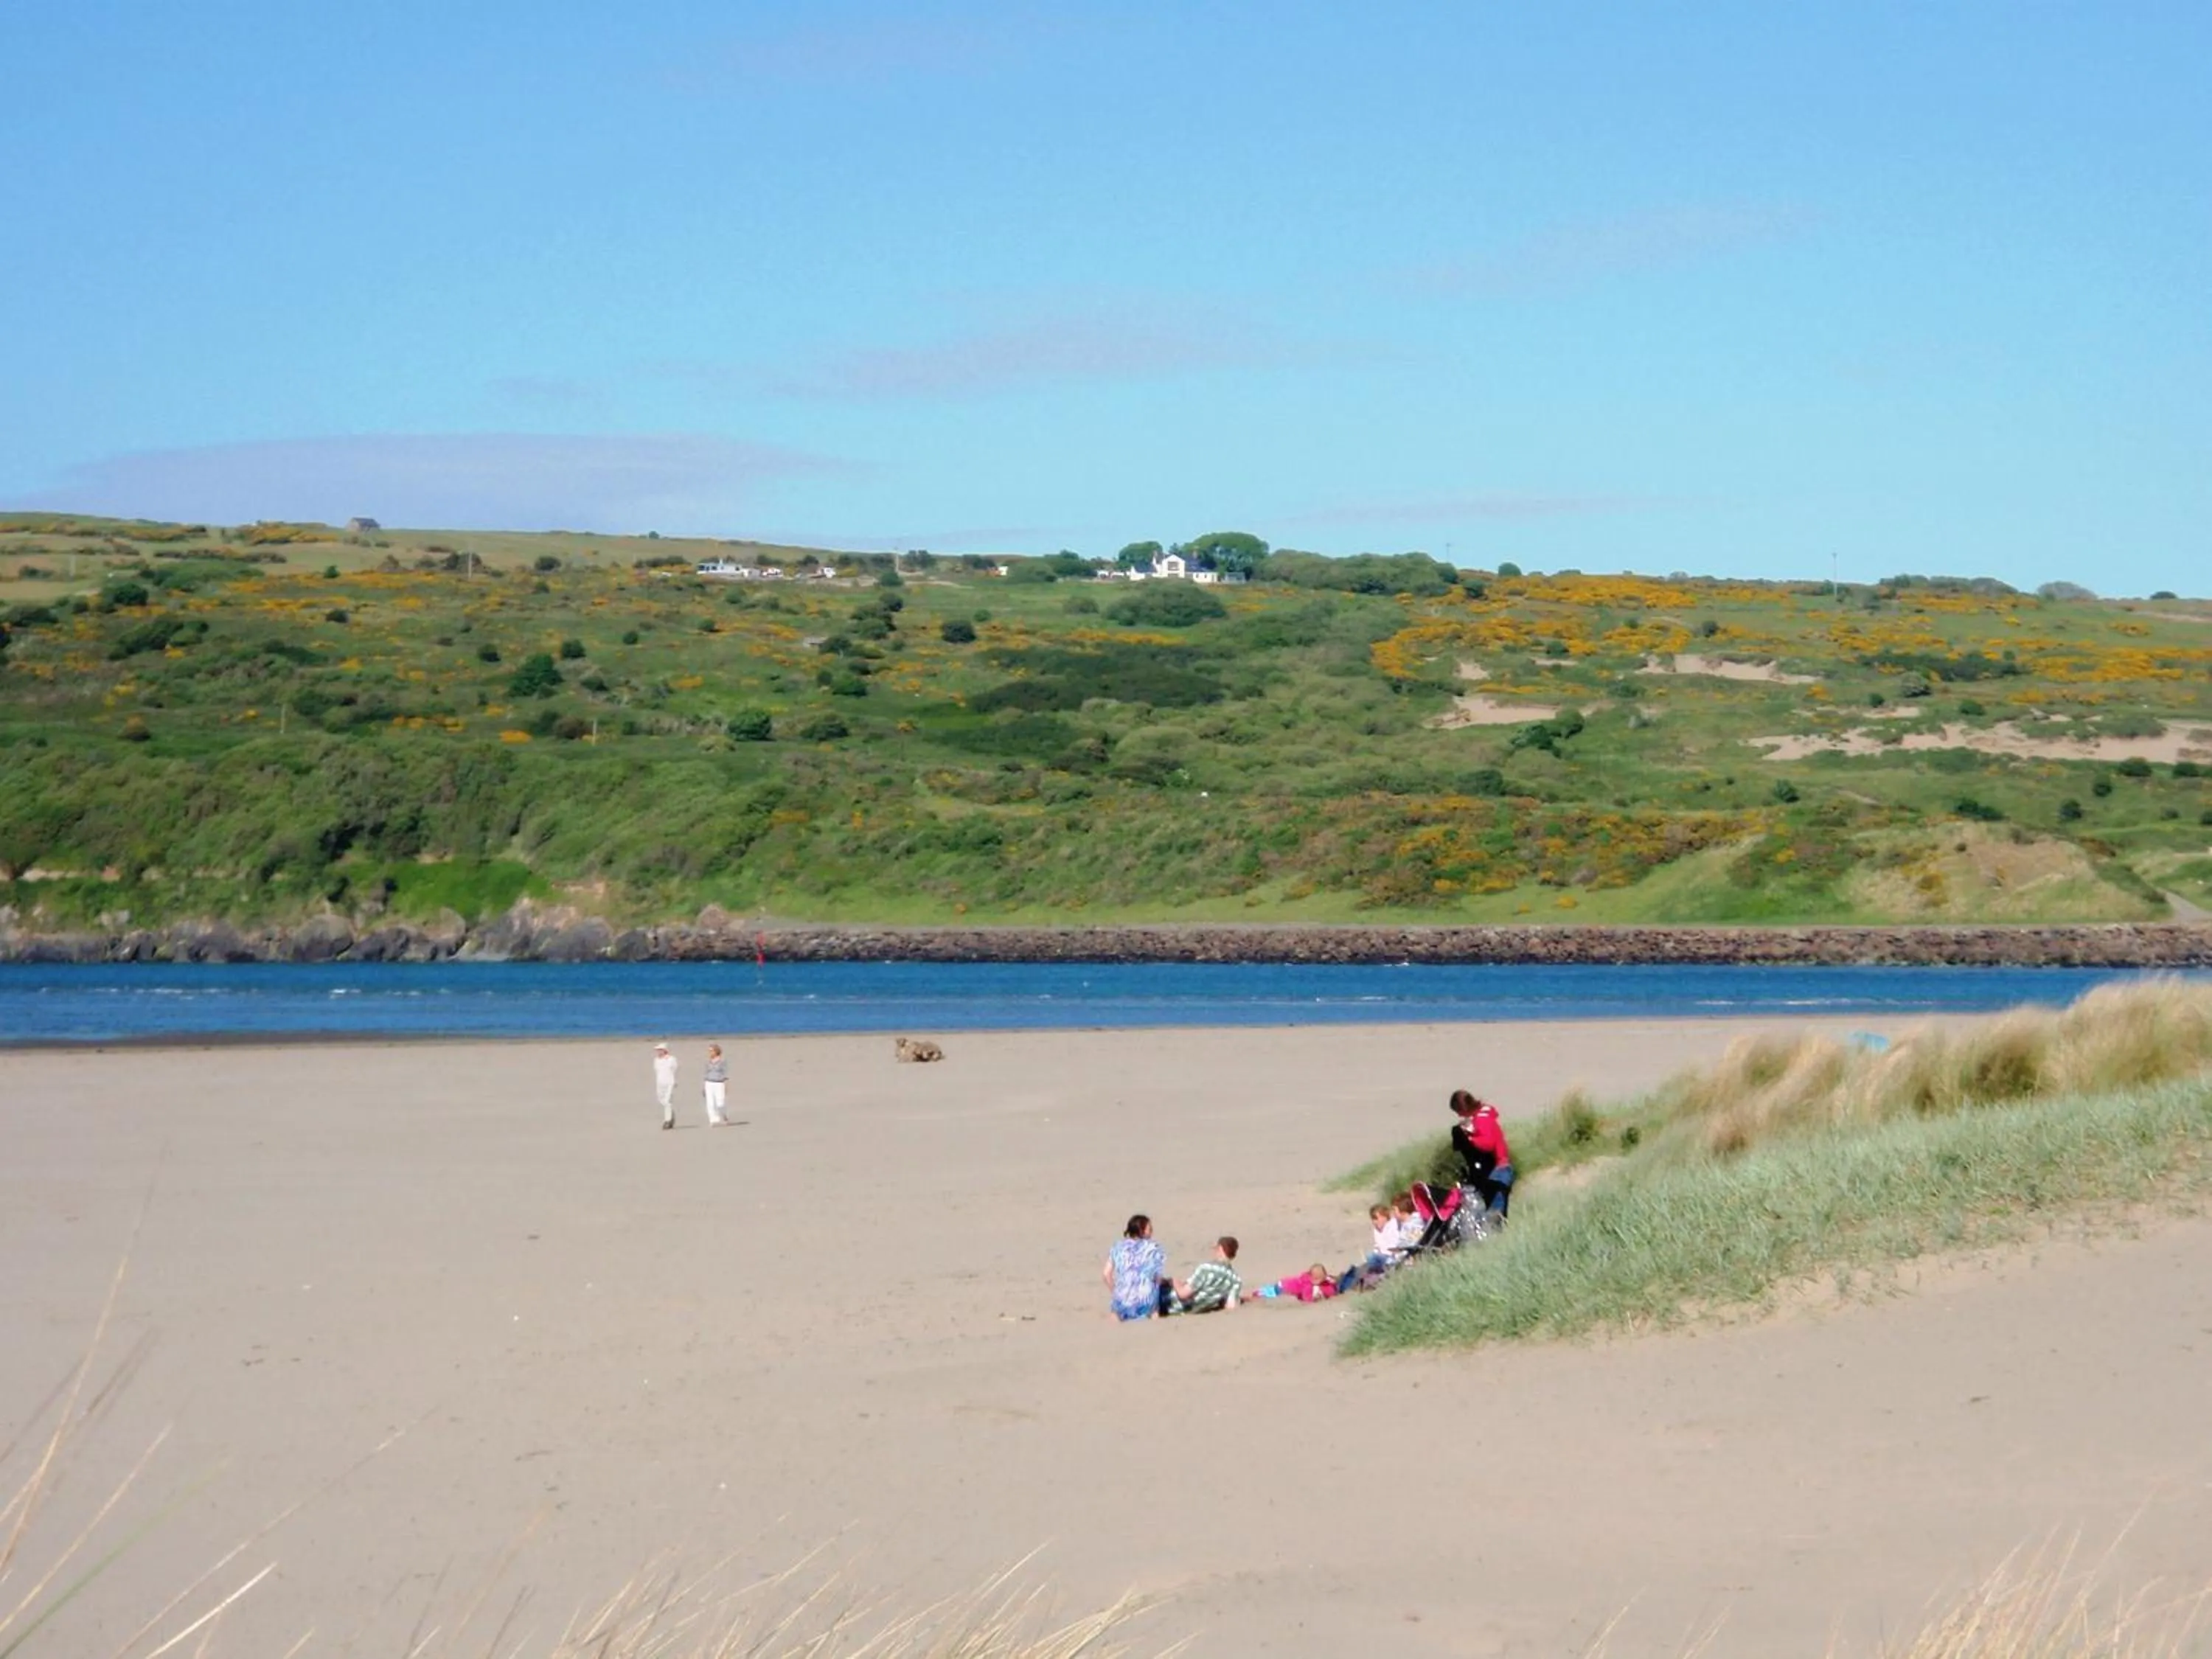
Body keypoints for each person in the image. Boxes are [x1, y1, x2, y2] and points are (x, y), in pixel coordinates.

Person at [1450, 1091, 1514, 1217]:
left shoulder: (1482, 1119)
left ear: (1463, 1108)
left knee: (1494, 1214)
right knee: (1493, 1211)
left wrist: (1470, 1137)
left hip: (1500, 1170)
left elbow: (1488, 1144)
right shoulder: (1483, 1116)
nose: (1459, 1115)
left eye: (1458, 1111)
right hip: (1500, 1168)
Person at [1102, 1214, 1170, 1321]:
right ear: (1142, 1231)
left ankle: (1115, 1320)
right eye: (1150, 1229)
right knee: (1154, 1303)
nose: (1152, 1232)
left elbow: (1106, 1274)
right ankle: (1154, 1317)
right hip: (1146, 1300)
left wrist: (1116, 1292)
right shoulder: (1154, 1248)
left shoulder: (1117, 1246)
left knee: (1115, 1311)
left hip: (1122, 1299)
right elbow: (1157, 1278)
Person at [1171, 1237, 1241, 1314]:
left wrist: (1174, 1281)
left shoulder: (1206, 1269)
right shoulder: (1235, 1280)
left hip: (1173, 1304)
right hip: (1195, 1309)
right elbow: (1231, 1306)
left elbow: (1183, 1294)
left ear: (1220, 1249)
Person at [1253, 1263, 1338, 1303]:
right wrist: (1315, 1299)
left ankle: (1256, 1293)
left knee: (1268, 1290)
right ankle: (1250, 1298)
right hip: (1284, 1289)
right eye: (1319, 1280)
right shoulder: (1308, 1286)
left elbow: (1327, 1279)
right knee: (1267, 1294)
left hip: (1283, 1283)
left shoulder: (1306, 1276)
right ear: (1313, 1279)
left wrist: (1331, 1281)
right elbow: (1306, 1299)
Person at [702, 1043, 731, 1127]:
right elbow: (706, 1074)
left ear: (716, 1051)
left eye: (711, 1051)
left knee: (720, 1103)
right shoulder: (708, 1062)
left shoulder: (722, 1061)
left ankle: (724, 1116)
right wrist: (704, 1086)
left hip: (719, 1083)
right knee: (710, 1103)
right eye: (709, 1051)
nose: (710, 1053)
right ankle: (713, 1120)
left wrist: (726, 1085)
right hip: (709, 1083)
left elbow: (725, 1074)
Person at [652, 1043, 678, 1130]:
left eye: (660, 1050)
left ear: (665, 1050)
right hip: (660, 1083)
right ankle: (671, 1114)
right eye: (658, 1050)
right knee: (661, 1100)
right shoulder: (656, 1060)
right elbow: (657, 1070)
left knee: (667, 1101)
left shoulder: (671, 1059)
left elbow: (674, 1069)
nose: (659, 1052)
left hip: (669, 1082)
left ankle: (668, 1120)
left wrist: (674, 1081)